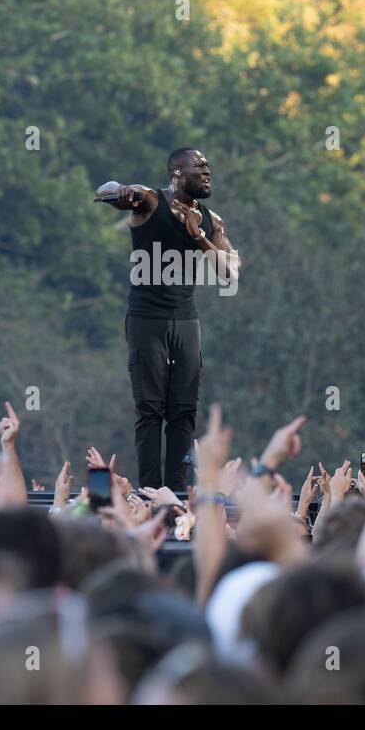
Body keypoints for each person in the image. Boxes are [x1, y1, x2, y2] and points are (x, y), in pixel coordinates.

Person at [96, 148, 240, 491]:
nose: (207, 172)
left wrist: (199, 238)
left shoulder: (211, 219)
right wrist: (121, 191)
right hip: (147, 318)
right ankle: (149, 492)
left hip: (186, 319)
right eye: (199, 166)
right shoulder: (149, 200)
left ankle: (176, 492)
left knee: (183, 411)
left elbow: (230, 272)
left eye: (208, 166)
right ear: (177, 172)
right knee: (150, 409)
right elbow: (106, 190)